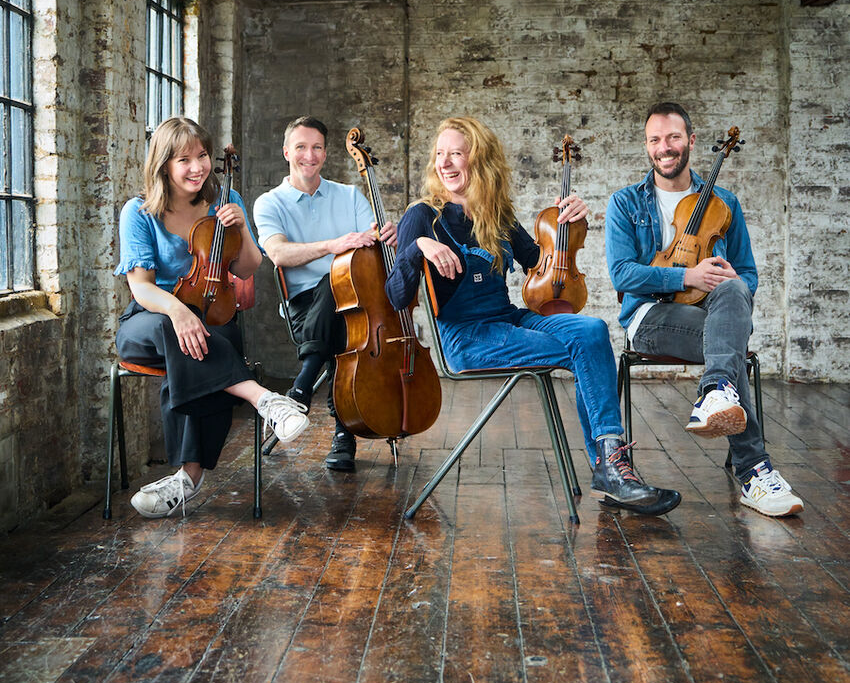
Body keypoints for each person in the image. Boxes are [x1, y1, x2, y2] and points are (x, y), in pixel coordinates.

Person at [385, 116, 681, 516]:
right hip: (466, 338)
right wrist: (418, 245)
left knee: (592, 330)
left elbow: (544, 265)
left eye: (457, 153)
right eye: (440, 154)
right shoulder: (422, 217)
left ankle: (610, 462)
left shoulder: (497, 215)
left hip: (508, 320)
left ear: (481, 160)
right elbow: (396, 294)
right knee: (581, 348)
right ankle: (610, 468)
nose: (446, 163)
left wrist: (571, 226)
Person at [605, 101, 803, 518]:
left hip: (709, 315)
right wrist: (684, 278)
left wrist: (732, 278)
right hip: (649, 317)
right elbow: (622, 275)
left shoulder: (725, 203)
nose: (665, 147)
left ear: (690, 141)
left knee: (732, 290)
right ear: (647, 146)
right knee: (728, 347)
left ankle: (715, 391)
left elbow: (748, 275)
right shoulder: (625, 203)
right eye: (655, 140)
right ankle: (753, 471)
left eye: (673, 137)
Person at [115, 117, 309, 519]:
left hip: (210, 317)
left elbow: (249, 268)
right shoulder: (138, 211)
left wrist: (241, 228)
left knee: (206, 344)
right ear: (163, 164)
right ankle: (264, 399)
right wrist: (178, 311)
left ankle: (185, 478)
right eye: (184, 159)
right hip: (150, 318)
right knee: (186, 334)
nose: (197, 166)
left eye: (202, 155)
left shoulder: (226, 200)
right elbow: (142, 288)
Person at [253, 116, 397, 471]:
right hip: (304, 307)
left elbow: (374, 245)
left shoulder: (349, 195)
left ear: (326, 154)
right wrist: (334, 246)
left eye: (316, 147)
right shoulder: (269, 203)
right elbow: (279, 254)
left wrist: (387, 236)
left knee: (343, 292)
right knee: (335, 287)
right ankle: (343, 435)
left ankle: (301, 387)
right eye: (301, 147)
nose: (309, 155)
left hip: (357, 302)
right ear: (287, 152)